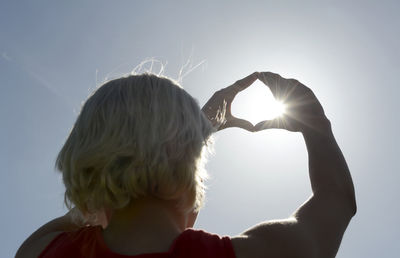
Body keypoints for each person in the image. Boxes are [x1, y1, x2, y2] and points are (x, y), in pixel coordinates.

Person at [16, 71, 356, 258]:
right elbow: (336, 202)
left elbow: (83, 212)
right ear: (191, 170)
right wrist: (317, 124)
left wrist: (109, 179)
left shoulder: (44, 251)